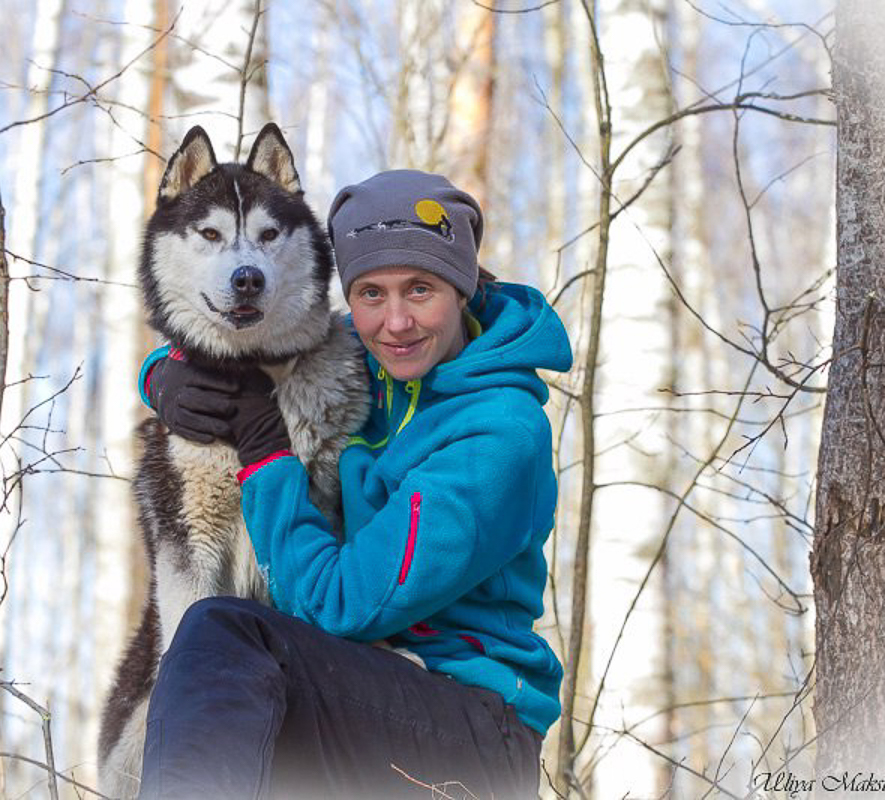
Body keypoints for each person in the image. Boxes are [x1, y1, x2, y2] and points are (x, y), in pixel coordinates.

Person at [136, 170, 572, 798]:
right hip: (363, 686)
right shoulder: (367, 359)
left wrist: (265, 452)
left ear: (463, 285)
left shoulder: (497, 435)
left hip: (473, 726)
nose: (395, 322)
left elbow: (343, 605)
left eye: (419, 289)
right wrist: (167, 379)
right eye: (370, 294)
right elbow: (253, 346)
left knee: (224, 636)